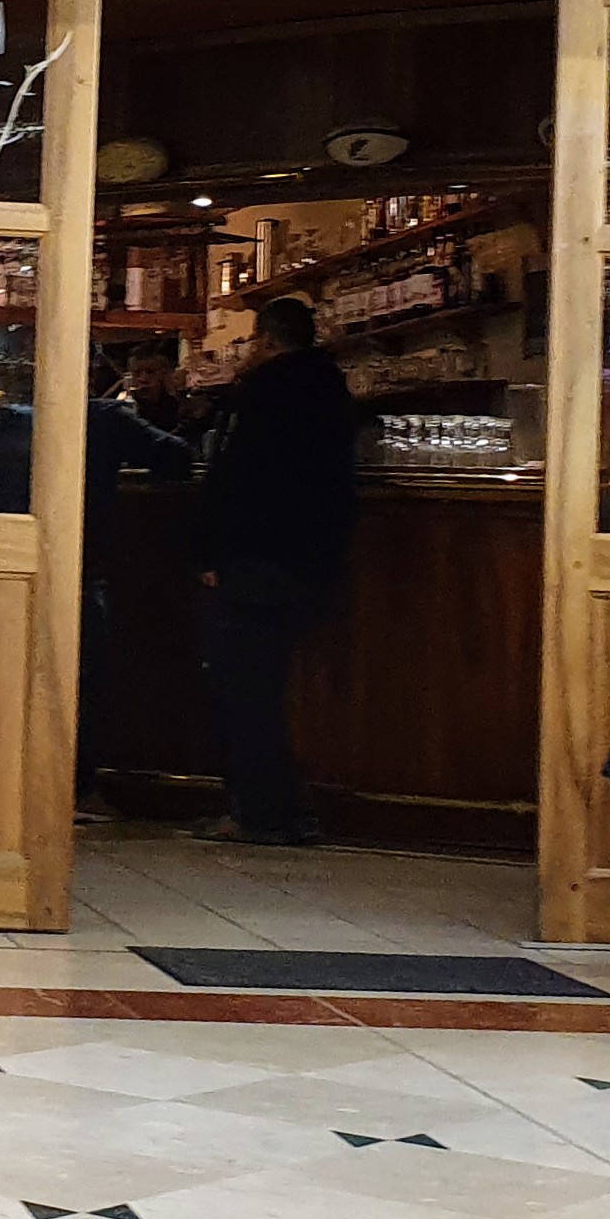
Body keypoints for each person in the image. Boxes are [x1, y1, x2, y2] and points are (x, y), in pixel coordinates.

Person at [193, 296, 359, 844]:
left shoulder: (261, 394)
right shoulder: (333, 390)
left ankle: (264, 812)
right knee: (270, 687)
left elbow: (234, 479)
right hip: (312, 561)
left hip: (256, 560)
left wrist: (212, 553)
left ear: (266, 339)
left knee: (246, 689)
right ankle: (282, 809)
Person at [77, 352, 195, 817]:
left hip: (4, 557)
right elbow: (176, 457)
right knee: (84, 678)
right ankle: (77, 788)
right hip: (83, 562)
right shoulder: (105, 418)